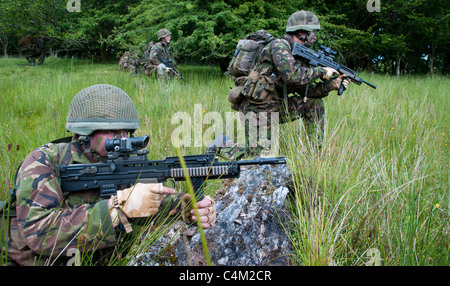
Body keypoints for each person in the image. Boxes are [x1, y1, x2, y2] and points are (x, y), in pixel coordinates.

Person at [3, 84, 216, 266]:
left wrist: (186, 207)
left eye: (127, 132)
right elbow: (39, 232)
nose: (123, 139)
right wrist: (115, 209)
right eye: (114, 132)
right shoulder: (44, 162)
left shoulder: (121, 161)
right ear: (85, 133)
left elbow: (141, 201)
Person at [219, 10, 350, 160]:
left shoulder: (297, 57)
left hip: (275, 106)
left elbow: (304, 92)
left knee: (315, 104)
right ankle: (221, 145)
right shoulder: (279, 46)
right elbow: (293, 77)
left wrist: (331, 85)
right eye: (312, 32)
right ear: (301, 32)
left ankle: (315, 157)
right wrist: (321, 71)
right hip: (256, 109)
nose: (315, 36)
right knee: (257, 160)